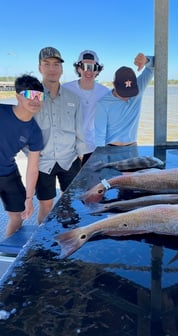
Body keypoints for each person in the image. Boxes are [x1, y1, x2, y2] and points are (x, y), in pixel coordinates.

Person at [35, 47, 86, 224]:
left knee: (72, 202)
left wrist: (81, 158)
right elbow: (23, 130)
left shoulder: (74, 99)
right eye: (46, 64)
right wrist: (32, 156)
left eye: (56, 64)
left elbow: (80, 132)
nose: (52, 68)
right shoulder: (31, 97)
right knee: (45, 206)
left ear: (61, 68)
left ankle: (70, 237)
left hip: (70, 160)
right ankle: (41, 246)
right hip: (42, 163)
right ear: (40, 67)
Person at [0, 75, 44, 236]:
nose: (35, 100)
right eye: (29, 95)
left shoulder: (35, 132)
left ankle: (10, 254)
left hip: (7, 173)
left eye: (39, 96)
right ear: (18, 96)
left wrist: (29, 198)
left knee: (18, 216)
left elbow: (33, 168)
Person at [94, 53, 154, 147]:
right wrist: (101, 157)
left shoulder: (139, 88)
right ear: (114, 84)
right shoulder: (102, 104)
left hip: (133, 147)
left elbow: (152, 67)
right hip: (111, 148)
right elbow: (99, 137)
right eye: (123, 93)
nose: (127, 97)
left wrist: (146, 60)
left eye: (130, 92)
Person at [63, 50, 109, 165]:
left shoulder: (105, 92)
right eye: (84, 66)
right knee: (71, 183)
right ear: (78, 68)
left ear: (97, 70)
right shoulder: (65, 89)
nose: (88, 71)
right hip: (69, 149)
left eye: (93, 67)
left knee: (93, 181)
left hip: (93, 147)